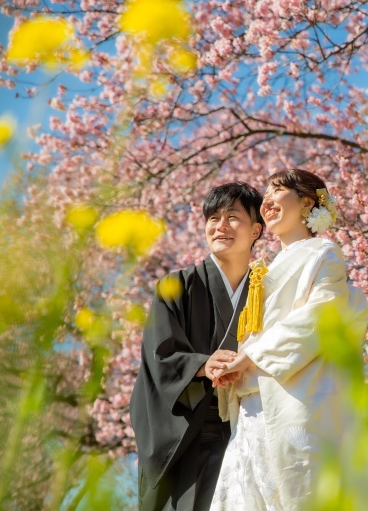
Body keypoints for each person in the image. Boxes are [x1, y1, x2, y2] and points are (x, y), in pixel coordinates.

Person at [209, 169, 368, 511]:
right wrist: (236, 366)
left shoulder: (323, 253)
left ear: (307, 203)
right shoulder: (263, 269)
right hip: (253, 404)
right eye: (265, 195)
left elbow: (319, 316)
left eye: (277, 191)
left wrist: (248, 358)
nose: (266, 201)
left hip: (295, 398)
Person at [129, 182, 264, 510]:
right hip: (192, 436)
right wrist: (203, 365)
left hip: (253, 431)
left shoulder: (267, 291)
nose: (220, 225)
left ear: (257, 230)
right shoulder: (176, 287)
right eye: (213, 217)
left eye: (233, 217)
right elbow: (159, 355)